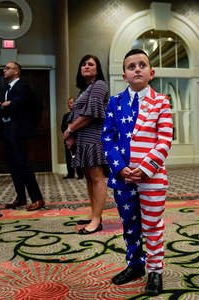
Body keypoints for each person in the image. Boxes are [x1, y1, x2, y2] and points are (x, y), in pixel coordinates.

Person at [101, 49, 173, 296]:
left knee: (152, 225)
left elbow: (164, 141)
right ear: (124, 75)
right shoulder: (114, 103)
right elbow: (107, 138)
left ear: (151, 73)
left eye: (142, 65)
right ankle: (135, 265)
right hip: (122, 178)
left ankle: (155, 270)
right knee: (129, 223)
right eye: (132, 66)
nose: (137, 69)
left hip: (151, 178)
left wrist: (143, 169)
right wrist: (120, 168)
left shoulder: (161, 101)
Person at [63, 54, 109, 234]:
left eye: (91, 64)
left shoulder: (99, 85)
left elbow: (91, 114)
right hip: (83, 139)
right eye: (83, 64)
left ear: (97, 69)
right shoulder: (85, 89)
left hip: (94, 138)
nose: (86, 66)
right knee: (89, 178)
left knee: (97, 177)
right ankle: (94, 213)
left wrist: (70, 130)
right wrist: (72, 134)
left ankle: (97, 220)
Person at [0, 61, 45, 211]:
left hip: (19, 131)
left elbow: (29, 105)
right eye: (4, 68)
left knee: (23, 165)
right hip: (7, 131)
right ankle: (21, 197)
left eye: (8, 68)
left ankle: (37, 198)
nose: (4, 70)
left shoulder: (23, 86)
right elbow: (1, 105)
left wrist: (9, 104)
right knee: (13, 165)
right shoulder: (6, 88)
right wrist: (4, 105)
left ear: (17, 71)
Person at [60, 97, 84, 179]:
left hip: (77, 140)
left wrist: (74, 138)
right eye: (69, 103)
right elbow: (63, 127)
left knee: (77, 157)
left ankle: (80, 174)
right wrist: (67, 137)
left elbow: (79, 127)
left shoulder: (79, 116)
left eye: (71, 102)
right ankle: (70, 173)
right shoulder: (66, 116)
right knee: (69, 157)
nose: (70, 105)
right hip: (67, 140)